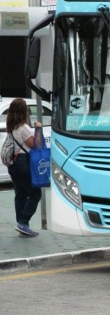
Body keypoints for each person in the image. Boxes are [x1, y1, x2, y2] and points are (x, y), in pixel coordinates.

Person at [6, 98, 42, 237]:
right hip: (22, 162)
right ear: (24, 110)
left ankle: (22, 224)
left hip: (13, 163)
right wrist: (38, 128)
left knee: (20, 194)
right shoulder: (23, 128)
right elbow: (35, 145)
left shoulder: (12, 127)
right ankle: (23, 222)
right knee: (35, 193)